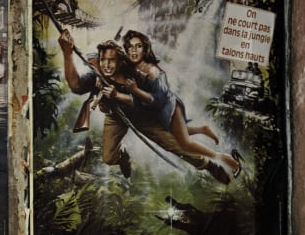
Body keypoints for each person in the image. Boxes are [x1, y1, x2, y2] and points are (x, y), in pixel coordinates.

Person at [58, 28, 233, 185]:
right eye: (103, 60)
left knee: (175, 145)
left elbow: (148, 102)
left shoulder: (135, 74)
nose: (107, 65)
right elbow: (75, 85)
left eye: (112, 60)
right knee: (108, 158)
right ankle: (123, 156)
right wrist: (67, 54)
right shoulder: (98, 73)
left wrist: (118, 95)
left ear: (120, 61)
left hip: (143, 116)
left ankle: (208, 165)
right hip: (116, 116)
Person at [122, 29, 242, 179]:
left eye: (138, 46)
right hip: (156, 112)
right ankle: (202, 129)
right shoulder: (131, 66)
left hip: (169, 109)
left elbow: (158, 100)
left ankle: (227, 160)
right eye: (130, 46)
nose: (133, 50)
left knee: (185, 144)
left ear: (145, 49)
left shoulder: (153, 71)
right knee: (175, 133)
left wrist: (135, 90)